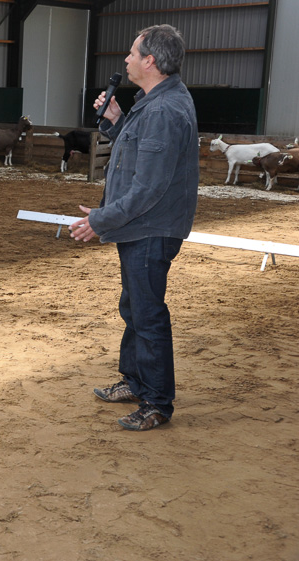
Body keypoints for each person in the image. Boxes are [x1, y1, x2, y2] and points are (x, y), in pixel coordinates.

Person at [69, 24, 199, 432]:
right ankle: (135, 380)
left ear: (151, 61)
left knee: (147, 314)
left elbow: (149, 187)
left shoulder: (163, 109)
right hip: (142, 226)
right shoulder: (157, 100)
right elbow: (138, 150)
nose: (125, 59)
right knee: (135, 308)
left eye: (131, 53)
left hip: (150, 226)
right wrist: (115, 120)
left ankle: (157, 402)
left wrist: (100, 220)